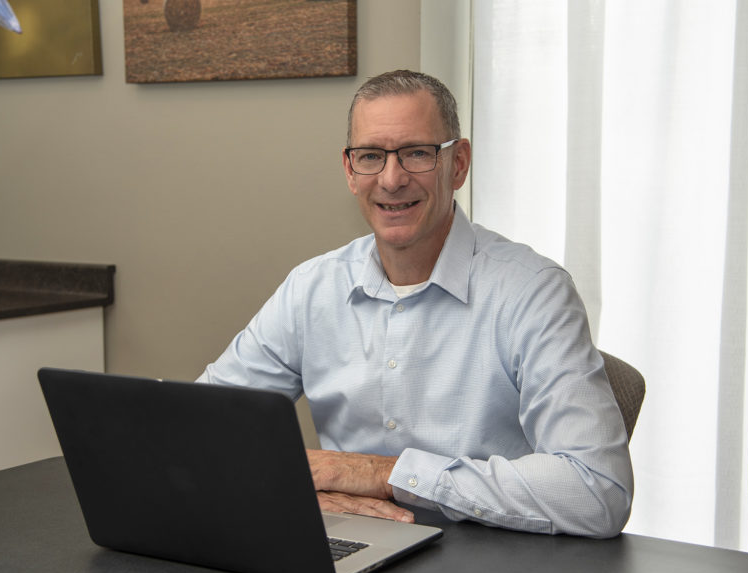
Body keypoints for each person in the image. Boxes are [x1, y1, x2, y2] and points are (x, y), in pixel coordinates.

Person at [199, 70, 633, 538]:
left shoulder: (533, 292)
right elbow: (196, 432)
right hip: (346, 545)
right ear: (350, 171)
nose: (391, 179)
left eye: (417, 154)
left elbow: (597, 491)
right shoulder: (311, 289)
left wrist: (384, 475)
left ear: (459, 164)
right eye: (370, 156)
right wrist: (313, 491)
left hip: (493, 567)